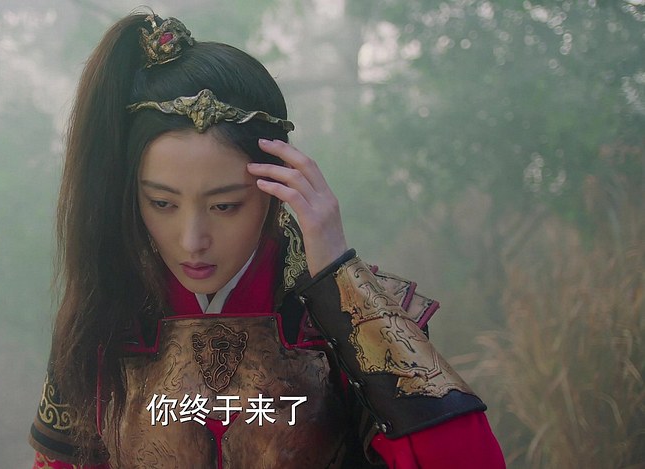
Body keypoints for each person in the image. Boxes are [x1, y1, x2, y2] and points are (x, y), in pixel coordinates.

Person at [29, 12, 505, 469]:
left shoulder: (344, 317)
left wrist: (339, 277)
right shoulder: (107, 317)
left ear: (276, 189)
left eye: (225, 206)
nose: (192, 241)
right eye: (162, 203)